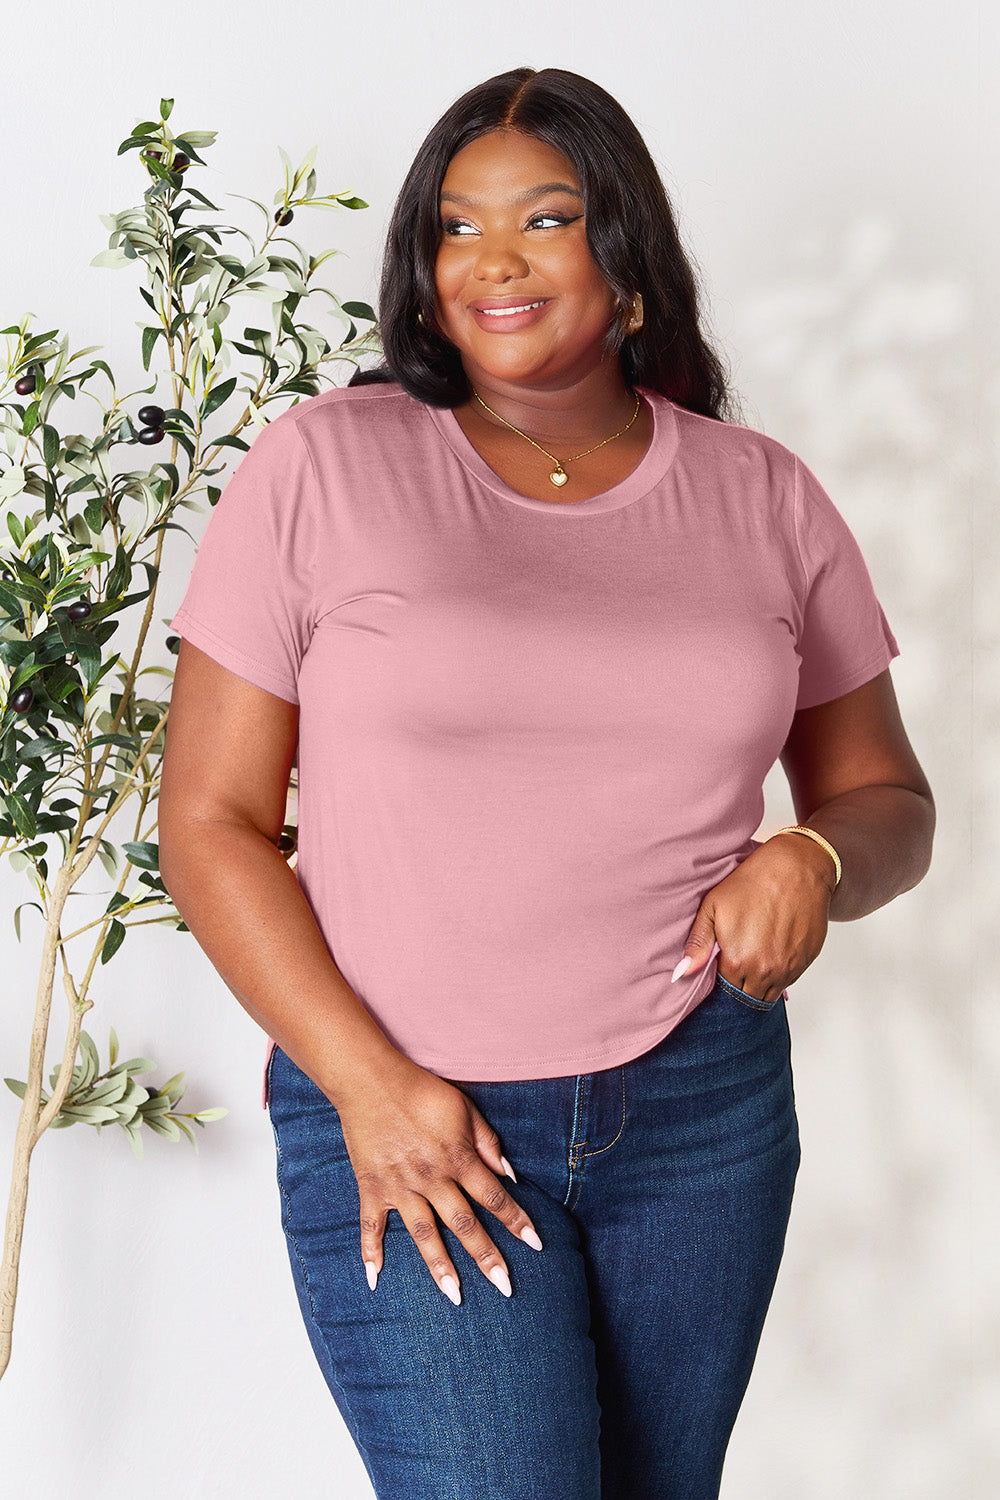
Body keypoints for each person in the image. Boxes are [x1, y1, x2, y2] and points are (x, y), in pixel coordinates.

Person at [159, 66, 935, 1500]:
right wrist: (369, 1089)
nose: (494, 260)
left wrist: (811, 863)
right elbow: (207, 824)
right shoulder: (324, 466)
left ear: (627, 258)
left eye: (547, 217)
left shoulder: (762, 495)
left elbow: (888, 797)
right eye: (457, 229)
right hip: (407, 1107)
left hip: (698, 1111)